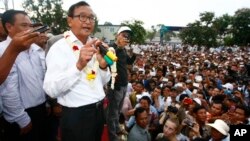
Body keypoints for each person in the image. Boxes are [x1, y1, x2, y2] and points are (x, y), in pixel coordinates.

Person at [43, 1, 111, 141]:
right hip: (77, 116)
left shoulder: (94, 45)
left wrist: (103, 67)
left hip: (98, 112)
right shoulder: (59, 48)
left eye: (91, 18)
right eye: (82, 16)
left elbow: (102, 81)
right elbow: (51, 90)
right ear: (69, 20)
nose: (88, 21)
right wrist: (78, 66)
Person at [0, 10, 48, 141]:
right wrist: (21, 118)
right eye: (24, 25)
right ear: (9, 27)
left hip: (42, 110)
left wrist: (47, 104)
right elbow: (8, 89)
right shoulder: (3, 51)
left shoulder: (35, 49)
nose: (30, 29)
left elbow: (42, 79)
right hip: (22, 115)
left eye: (31, 26)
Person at [106, 25, 136, 141]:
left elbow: (128, 62)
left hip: (123, 84)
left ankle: (117, 128)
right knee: (112, 113)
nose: (126, 37)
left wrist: (133, 54)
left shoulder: (123, 49)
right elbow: (108, 62)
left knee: (118, 111)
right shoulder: (111, 48)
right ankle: (113, 136)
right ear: (117, 35)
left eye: (127, 36)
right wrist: (119, 47)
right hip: (115, 85)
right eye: (123, 35)